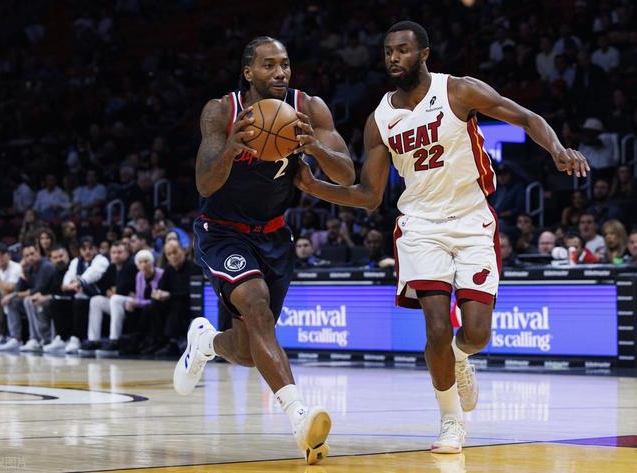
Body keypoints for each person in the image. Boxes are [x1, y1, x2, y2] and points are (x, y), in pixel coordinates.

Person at [294, 21, 589, 453]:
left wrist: (558, 150)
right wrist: (312, 184)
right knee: (435, 327)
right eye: (388, 51)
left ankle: (461, 356)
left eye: (403, 50)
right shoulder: (380, 120)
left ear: (424, 54)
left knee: (476, 334)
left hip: (472, 219)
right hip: (420, 226)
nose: (394, 58)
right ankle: (451, 421)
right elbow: (368, 196)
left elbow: (525, 117)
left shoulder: (458, 91)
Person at [173, 36, 354, 465]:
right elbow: (204, 184)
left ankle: (206, 342)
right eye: (268, 65)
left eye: (285, 64)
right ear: (248, 72)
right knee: (256, 308)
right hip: (222, 232)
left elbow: (347, 175)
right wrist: (231, 150)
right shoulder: (222, 111)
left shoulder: (309, 108)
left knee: (248, 350)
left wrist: (314, 147)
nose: (280, 72)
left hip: (273, 235)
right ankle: (299, 417)